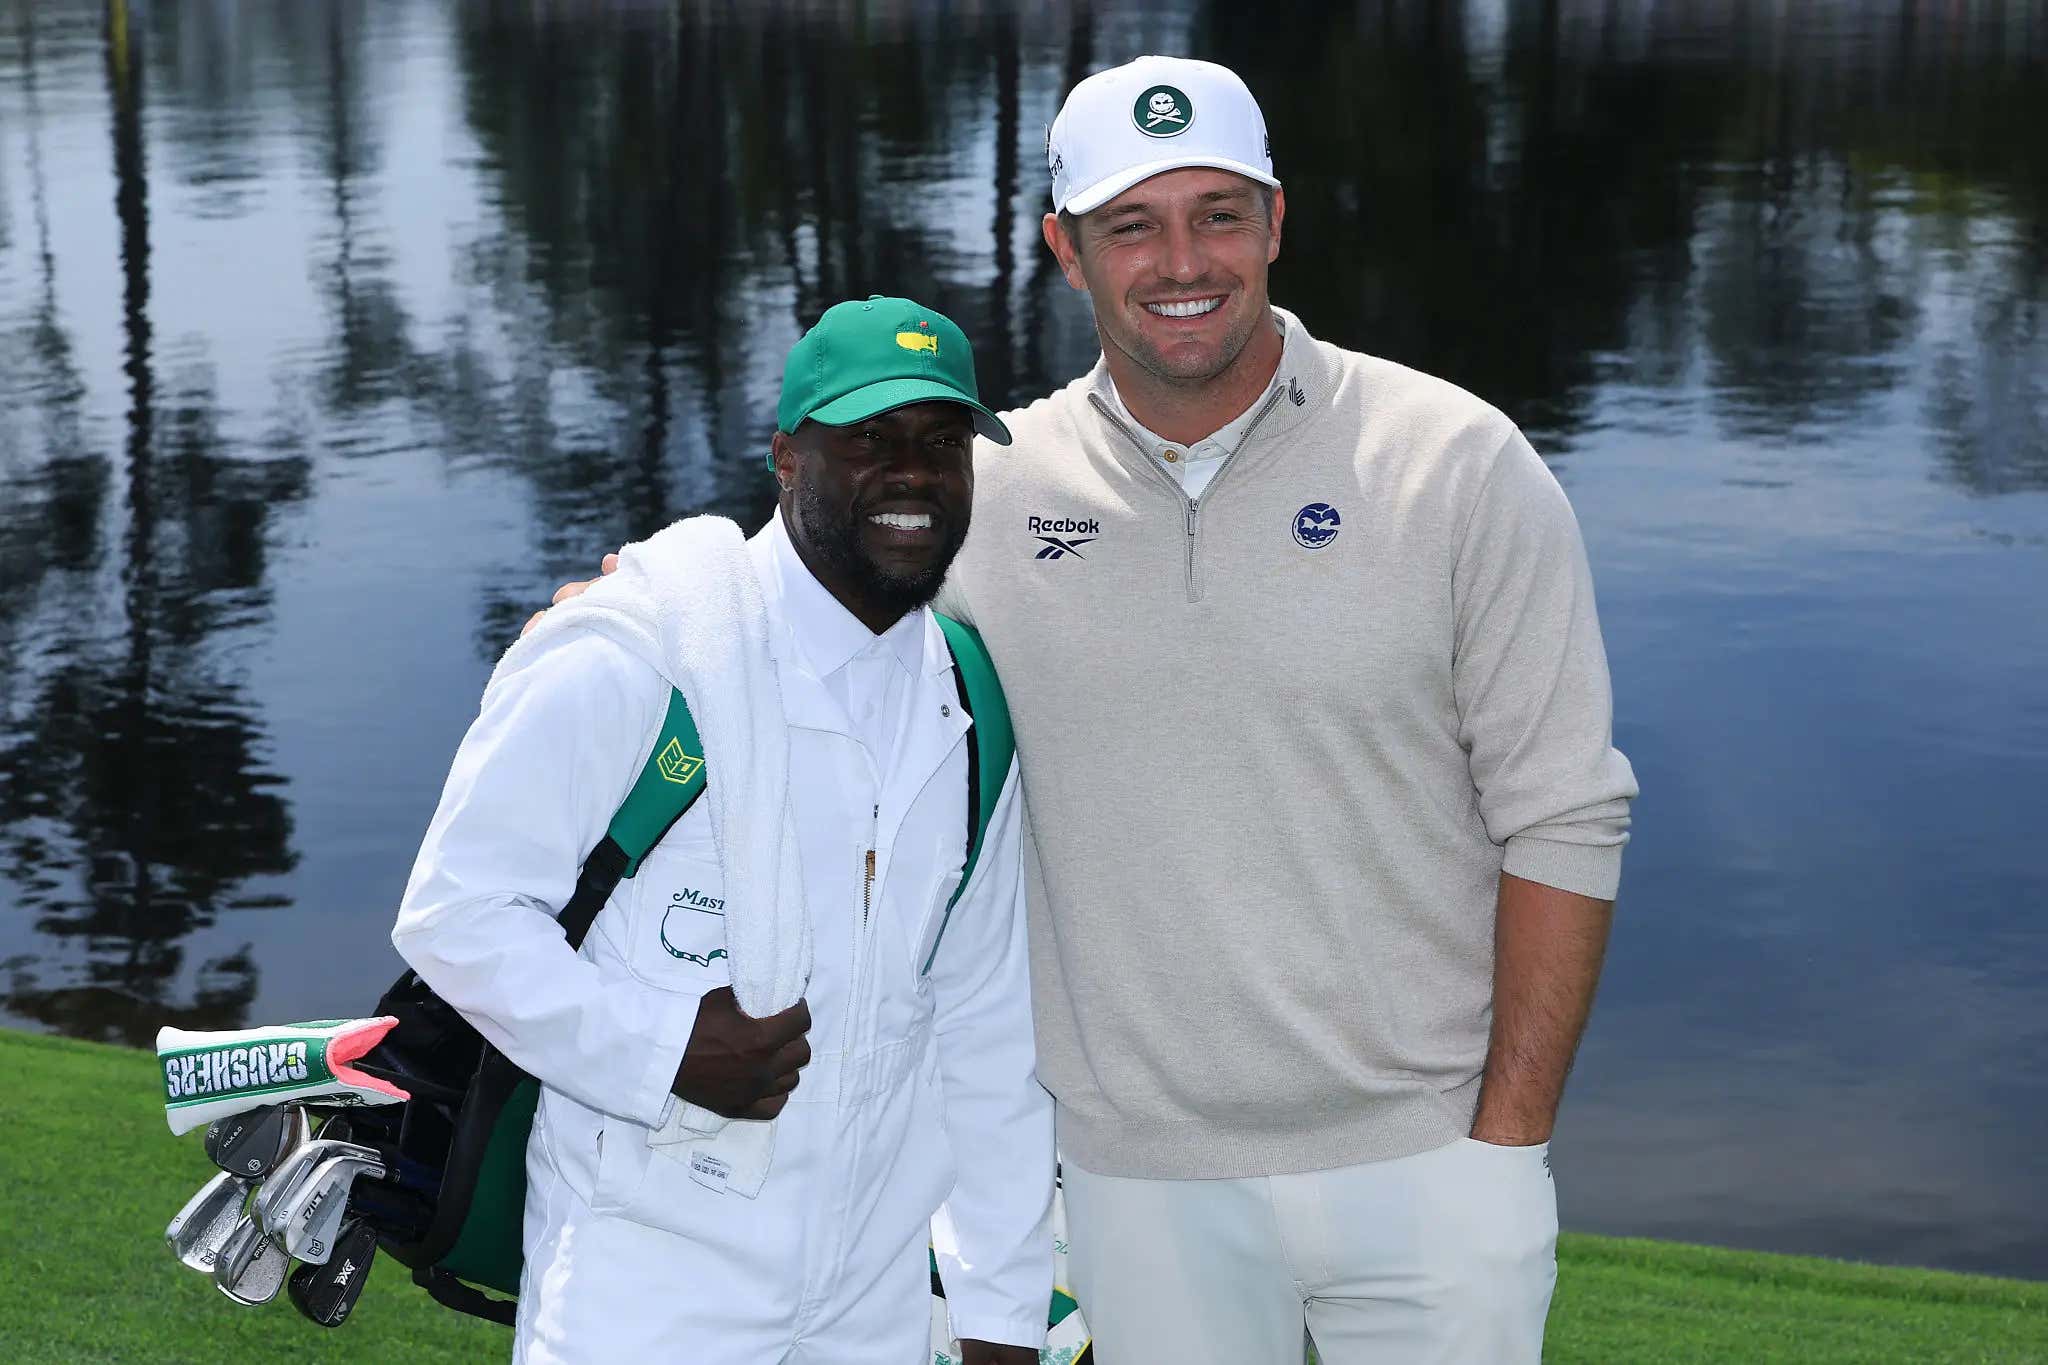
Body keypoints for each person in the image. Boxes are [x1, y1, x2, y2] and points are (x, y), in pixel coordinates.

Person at [538, 56, 1638, 1365]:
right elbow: (790, 598)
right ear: (1067, 250)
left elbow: (1566, 816)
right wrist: (643, 600)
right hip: (1136, 1187)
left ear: (1276, 221)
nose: (1184, 259)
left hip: (1429, 1163)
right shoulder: (991, 498)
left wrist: (1505, 1143)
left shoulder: (1456, 466)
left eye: (1218, 213)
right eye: (1133, 225)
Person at [397, 297, 1051, 1364]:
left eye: (942, 442)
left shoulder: (971, 702)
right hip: (644, 1293)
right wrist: (661, 1051)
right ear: (787, 457)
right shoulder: (635, 654)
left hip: (869, 1308)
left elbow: (984, 1027)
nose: (914, 474)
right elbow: (456, 917)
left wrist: (998, 1312)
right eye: (870, 438)